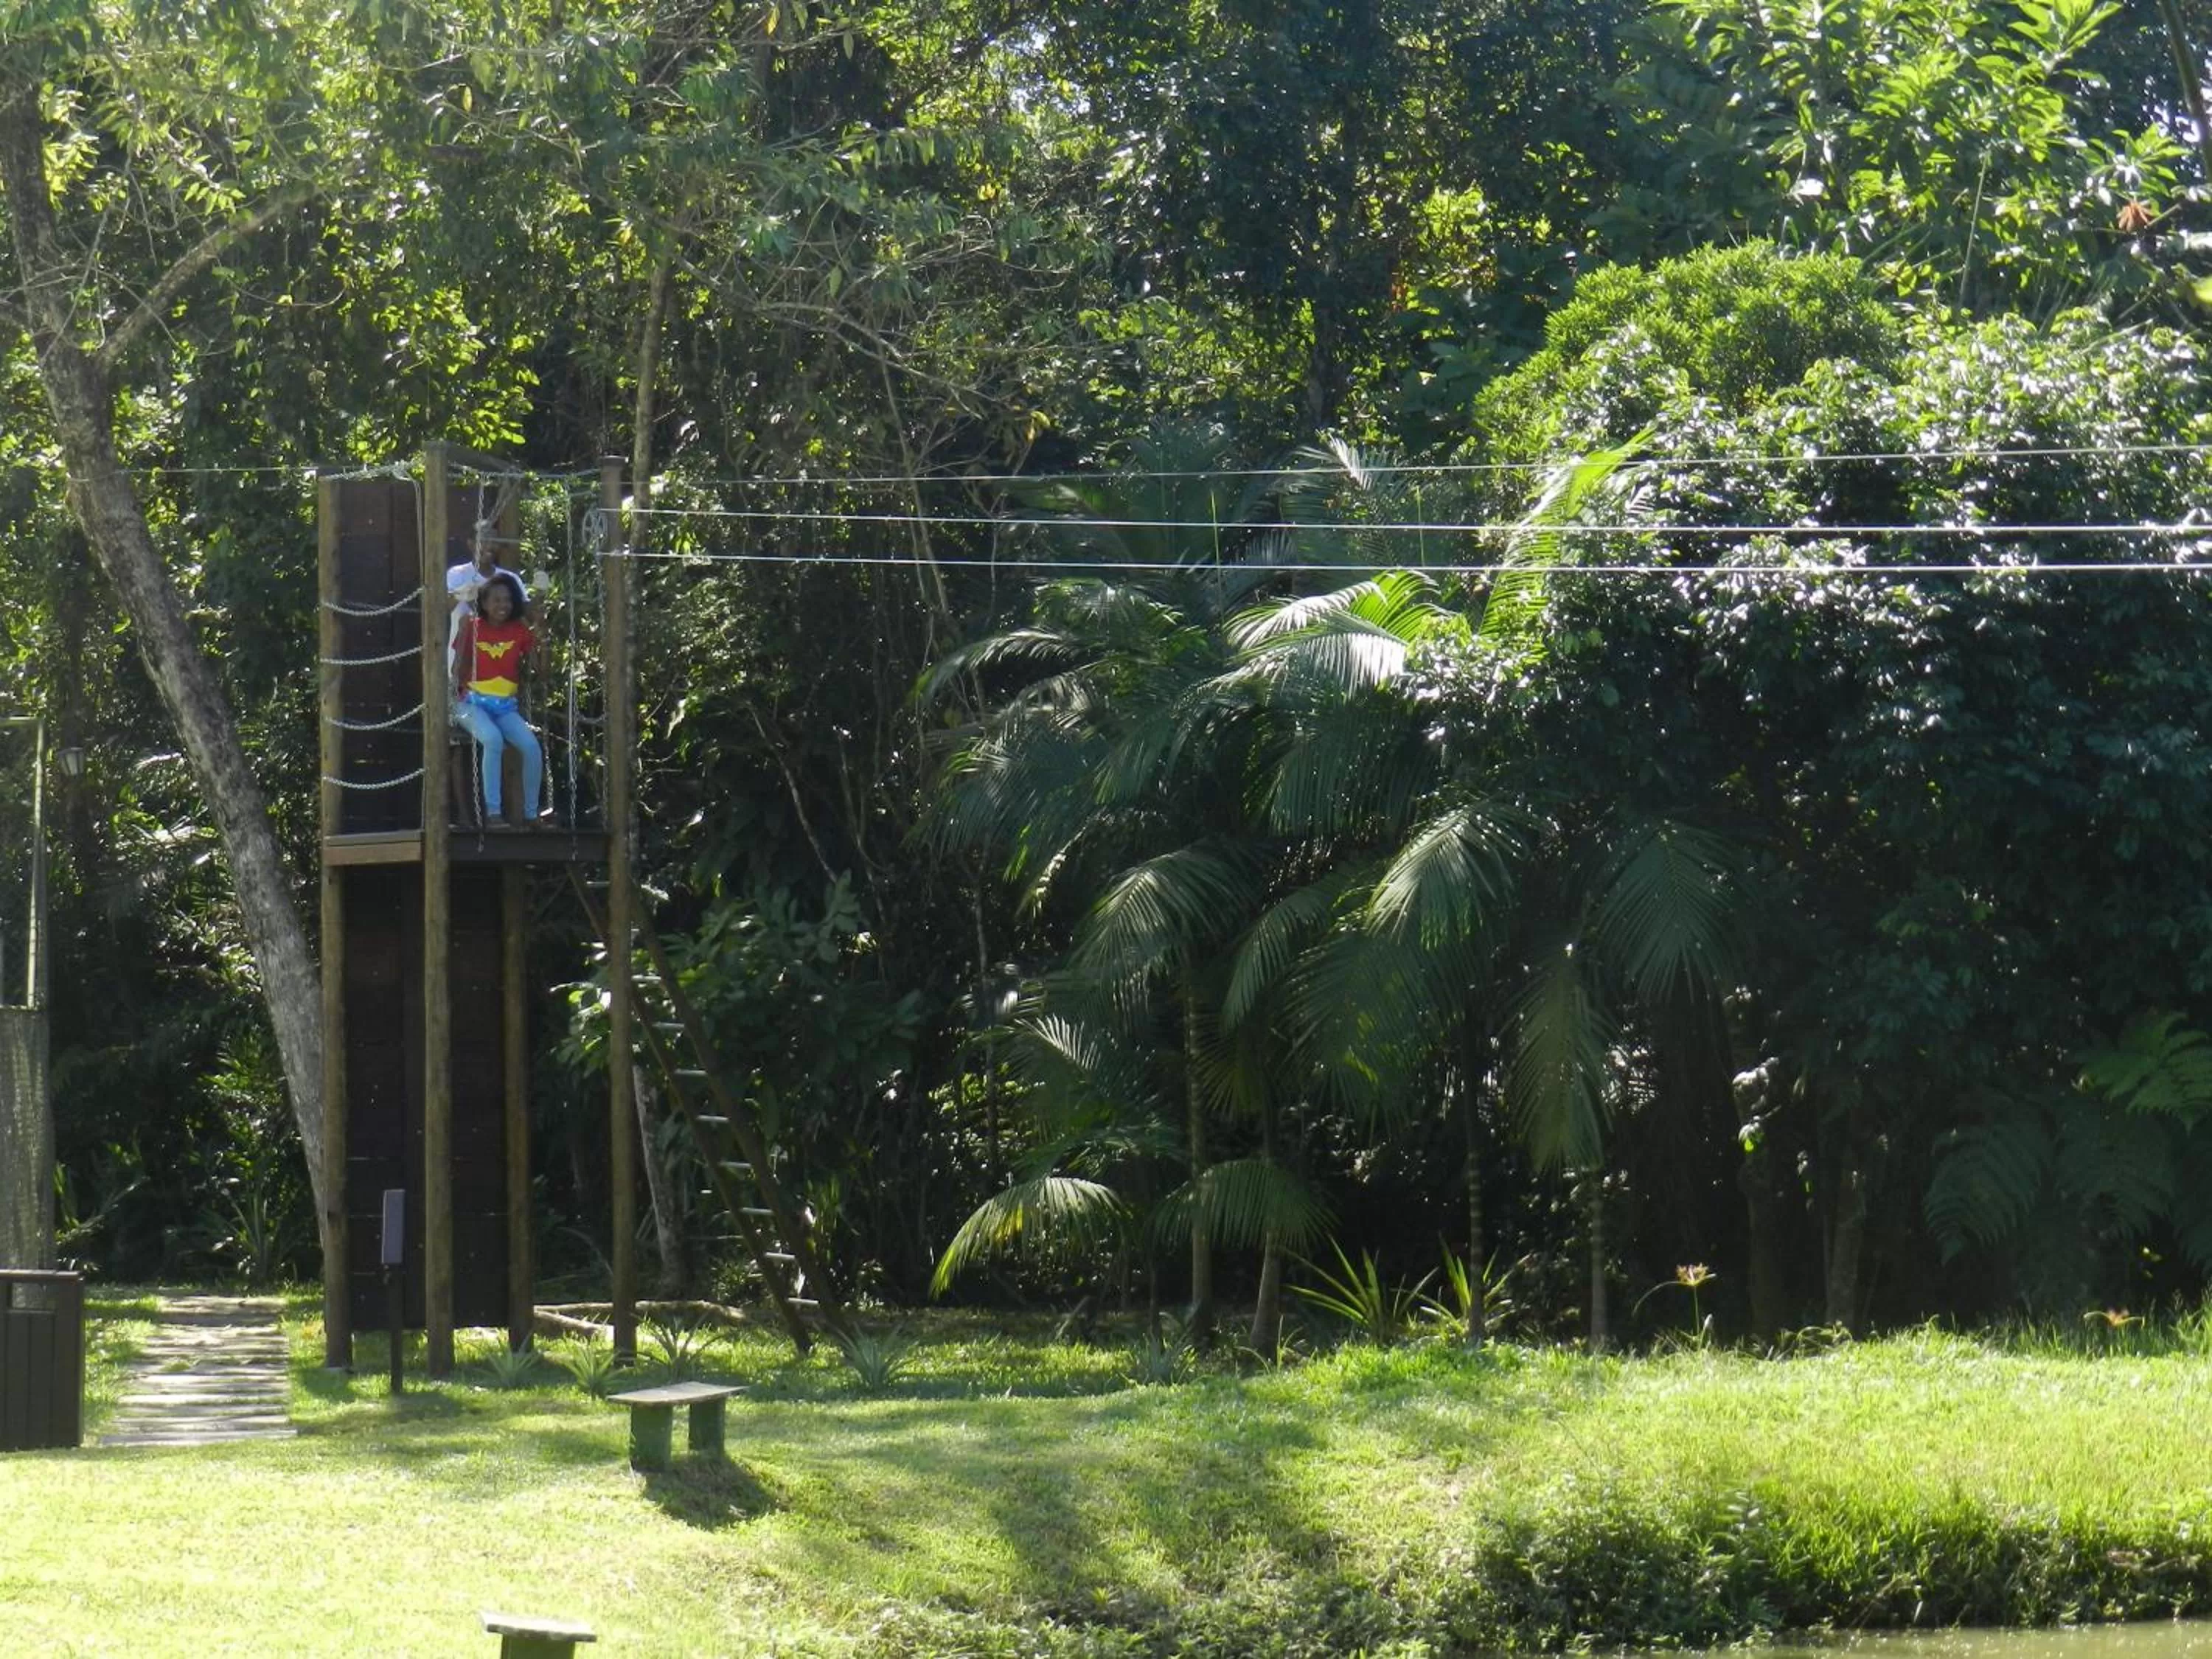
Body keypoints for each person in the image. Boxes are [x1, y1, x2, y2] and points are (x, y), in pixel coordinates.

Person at [451, 571, 546, 826]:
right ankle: (494, 812)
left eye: (507, 600)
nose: (502, 606)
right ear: (483, 603)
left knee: (531, 748)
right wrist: (462, 634)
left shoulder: (519, 630)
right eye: (496, 600)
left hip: (505, 707)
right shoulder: (471, 626)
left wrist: (541, 632)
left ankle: (531, 813)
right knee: (492, 739)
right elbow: (456, 668)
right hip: (471, 703)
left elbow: (541, 671)